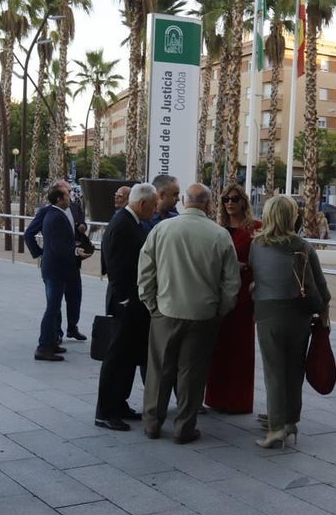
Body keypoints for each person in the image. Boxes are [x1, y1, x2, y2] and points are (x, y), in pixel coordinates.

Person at [138, 183, 241, 444]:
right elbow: (231, 281)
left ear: (184, 200)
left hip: (166, 310)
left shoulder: (162, 230)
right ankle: (184, 427)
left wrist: (151, 303)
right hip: (203, 314)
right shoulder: (219, 235)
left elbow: (146, 271)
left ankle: (152, 422)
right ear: (208, 203)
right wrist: (222, 308)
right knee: (192, 373)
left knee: (160, 369)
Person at [250, 195, 331, 448]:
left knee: (274, 371)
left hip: (268, 313)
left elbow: (256, 276)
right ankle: (290, 421)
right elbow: (321, 287)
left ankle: (275, 429)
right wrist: (324, 313)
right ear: (292, 216)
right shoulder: (303, 246)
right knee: (294, 369)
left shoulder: (258, 246)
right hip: (299, 314)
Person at [94, 183, 157, 431]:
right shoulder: (123, 225)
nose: (153, 212)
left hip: (131, 302)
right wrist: (126, 300)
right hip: (126, 303)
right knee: (117, 358)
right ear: (142, 204)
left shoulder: (128, 221)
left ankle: (119, 404)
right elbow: (117, 267)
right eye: (152, 207)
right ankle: (106, 411)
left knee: (127, 357)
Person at [204, 182, 260, 414]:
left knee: (240, 349)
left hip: (244, 295)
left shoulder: (255, 228)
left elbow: (262, 263)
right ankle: (216, 398)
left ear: (243, 202)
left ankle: (238, 400)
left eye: (234, 199)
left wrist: (245, 268)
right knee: (218, 347)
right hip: (219, 293)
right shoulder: (217, 229)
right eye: (226, 199)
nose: (229, 203)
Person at [25, 182, 84, 361]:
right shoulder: (54, 216)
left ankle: (51, 342)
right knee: (52, 308)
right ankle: (44, 346)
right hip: (56, 269)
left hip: (63, 268)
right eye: (67, 194)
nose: (70, 197)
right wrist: (75, 252)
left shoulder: (56, 213)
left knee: (59, 304)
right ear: (59, 199)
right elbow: (57, 245)